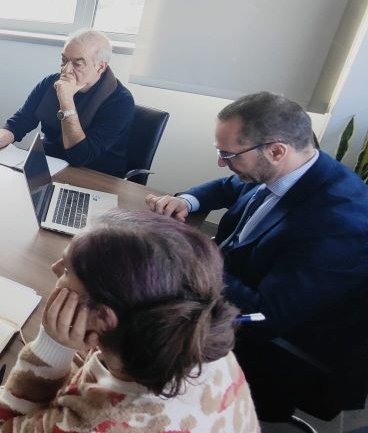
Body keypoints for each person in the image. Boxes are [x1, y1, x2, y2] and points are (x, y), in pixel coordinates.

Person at [145, 91, 368, 419]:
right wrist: (187, 201)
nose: (222, 162)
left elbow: (265, 317)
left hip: (270, 342)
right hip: (234, 282)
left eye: (228, 154)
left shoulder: (336, 223)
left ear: (276, 151)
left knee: (136, 320)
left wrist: (196, 256)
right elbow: (229, 186)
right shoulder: (291, 168)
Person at [0, 211, 259, 433]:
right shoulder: (191, 332)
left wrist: (51, 348)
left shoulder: (99, 424)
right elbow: (97, 364)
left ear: (103, 318)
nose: (54, 268)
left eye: (67, 269)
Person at [0, 29, 135, 177]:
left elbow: (80, 156)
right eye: (64, 60)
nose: (66, 70)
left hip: (95, 176)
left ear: (100, 67)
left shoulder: (120, 101)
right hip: (48, 166)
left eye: (77, 64)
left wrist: (66, 100)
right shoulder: (50, 83)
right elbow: (19, 123)